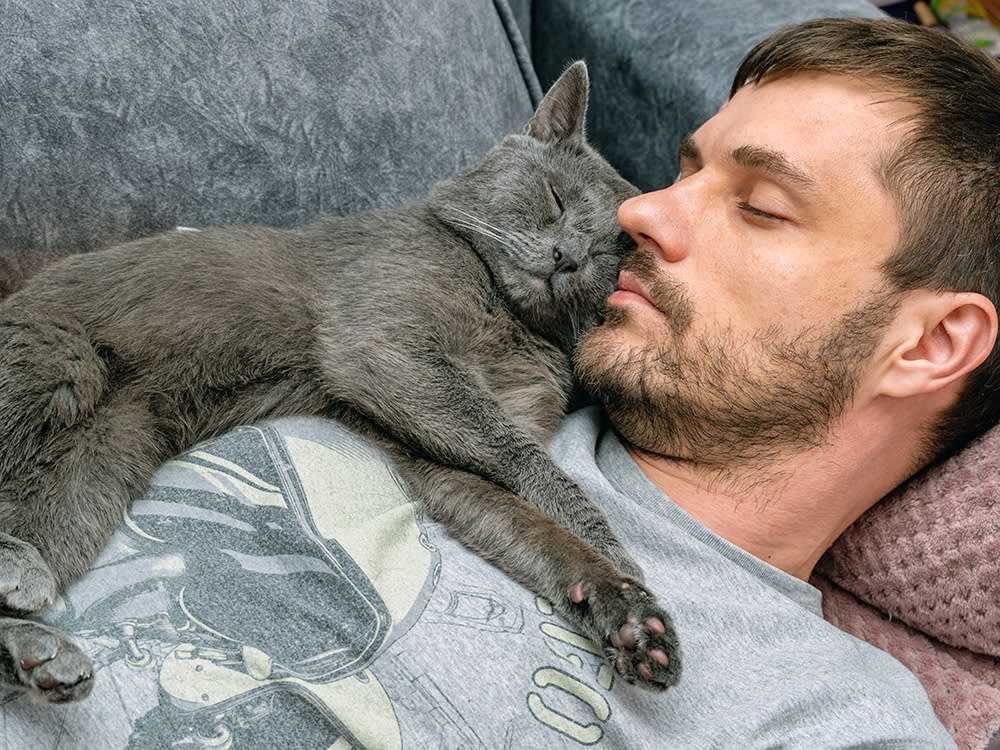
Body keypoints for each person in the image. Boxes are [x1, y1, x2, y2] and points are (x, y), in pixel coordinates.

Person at [10, 16, 998, 750]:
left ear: (928, 344)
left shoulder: (830, 721)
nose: (645, 208)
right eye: (682, 170)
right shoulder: (462, 347)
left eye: (763, 205)